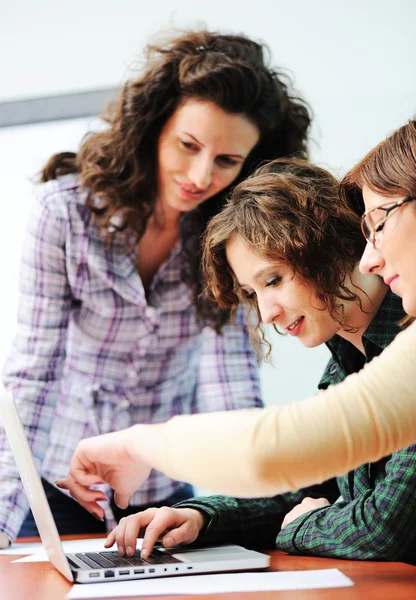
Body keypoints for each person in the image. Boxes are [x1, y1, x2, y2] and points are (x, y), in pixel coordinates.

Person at [0, 29, 312, 548]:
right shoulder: (65, 216)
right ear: (154, 127)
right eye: (188, 145)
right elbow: (34, 377)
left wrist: (258, 508)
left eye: (226, 161)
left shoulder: (228, 240)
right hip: (59, 486)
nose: (198, 175)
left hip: (161, 493)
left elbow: (230, 383)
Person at [59, 120, 416, 556]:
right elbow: (307, 481)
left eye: (274, 279)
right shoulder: (344, 361)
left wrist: (302, 527)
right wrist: (200, 517)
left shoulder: (402, 348)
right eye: (252, 293)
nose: (267, 314)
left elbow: (382, 527)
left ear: (327, 244)